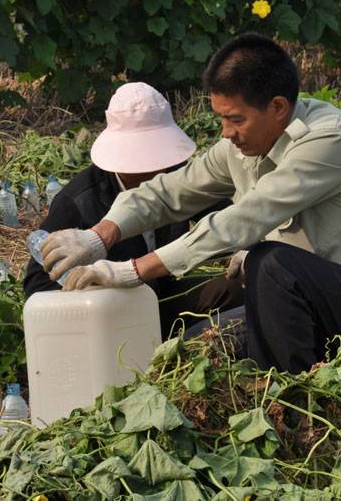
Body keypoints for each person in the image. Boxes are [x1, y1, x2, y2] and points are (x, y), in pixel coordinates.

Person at [40, 34, 341, 379]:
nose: (227, 133)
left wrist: (133, 271)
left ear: (277, 107)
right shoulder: (243, 146)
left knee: (269, 263)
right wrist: (97, 237)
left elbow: (243, 220)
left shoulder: (330, 141)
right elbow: (172, 190)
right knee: (192, 353)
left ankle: (296, 405)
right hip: (318, 302)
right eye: (221, 119)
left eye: (235, 120)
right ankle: (287, 391)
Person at [24, 82, 243, 337]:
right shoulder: (79, 200)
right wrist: (95, 284)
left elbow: (222, 216)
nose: (154, 169)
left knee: (235, 289)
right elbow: (36, 285)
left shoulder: (174, 175)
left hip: (159, 295)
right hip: (110, 318)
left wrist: (243, 248)